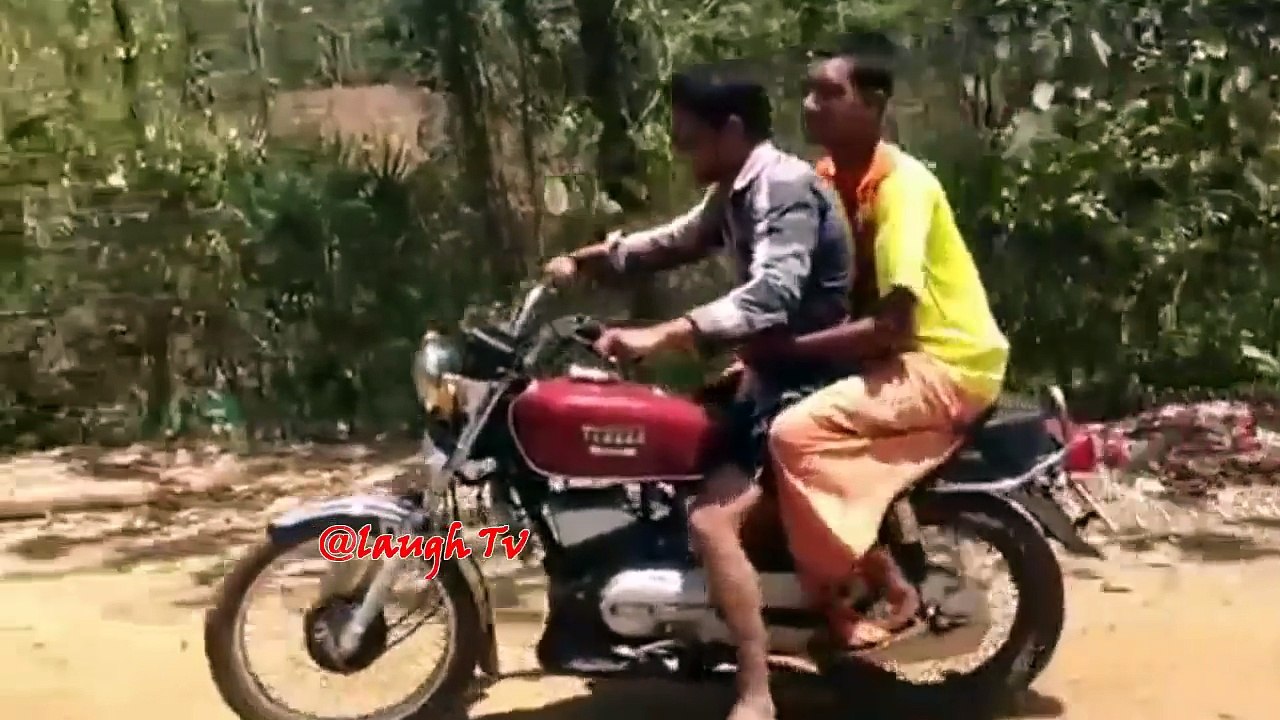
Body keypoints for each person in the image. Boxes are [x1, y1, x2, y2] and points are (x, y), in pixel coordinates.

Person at [544, 64, 851, 720]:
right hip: (769, 376)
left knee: (711, 522)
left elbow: (773, 293)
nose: (682, 151)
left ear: (731, 130)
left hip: (806, 384)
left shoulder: (783, 186)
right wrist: (589, 261)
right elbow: (674, 241)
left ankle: (756, 689)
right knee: (674, 449)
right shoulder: (736, 190)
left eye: (689, 139)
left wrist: (662, 333)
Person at [756, 33, 1011, 652]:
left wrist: (787, 350)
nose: (810, 105)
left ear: (872, 105)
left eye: (828, 93)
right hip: (893, 358)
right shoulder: (824, 181)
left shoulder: (902, 187)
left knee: (794, 435)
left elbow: (892, 323)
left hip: (944, 363)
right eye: (808, 93)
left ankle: (869, 591)